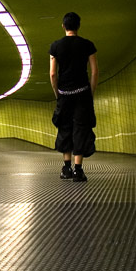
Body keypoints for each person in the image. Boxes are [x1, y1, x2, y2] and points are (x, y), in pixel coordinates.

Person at [49, 12, 98, 182]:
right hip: (82, 93)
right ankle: (78, 170)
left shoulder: (55, 46)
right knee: (81, 128)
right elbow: (94, 72)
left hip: (64, 93)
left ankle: (66, 168)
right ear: (79, 26)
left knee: (65, 127)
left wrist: (58, 93)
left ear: (63, 26)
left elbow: (53, 74)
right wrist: (90, 92)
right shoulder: (87, 45)